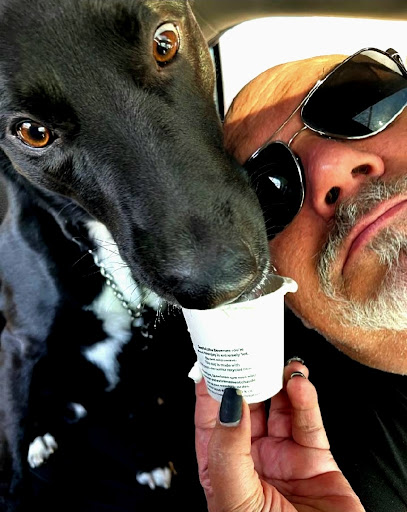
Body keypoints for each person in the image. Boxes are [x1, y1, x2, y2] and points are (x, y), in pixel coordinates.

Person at [194, 47, 407, 512]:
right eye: (266, 189)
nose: (330, 168)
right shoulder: (315, 472)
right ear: (280, 297)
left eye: (359, 100)